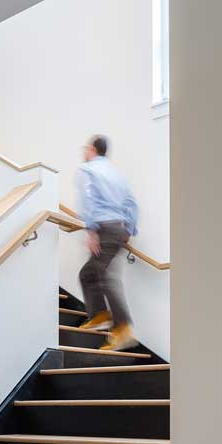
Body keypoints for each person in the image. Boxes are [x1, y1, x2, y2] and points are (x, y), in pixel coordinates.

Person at [76, 136, 139, 351]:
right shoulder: (118, 175)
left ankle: (123, 329)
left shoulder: (88, 170)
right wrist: (129, 228)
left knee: (104, 276)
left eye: (86, 148)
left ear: (93, 149)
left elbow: (88, 197)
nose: (84, 151)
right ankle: (100, 315)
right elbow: (131, 203)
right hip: (118, 228)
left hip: (103, 227)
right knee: (89, 274)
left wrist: (91, 230)